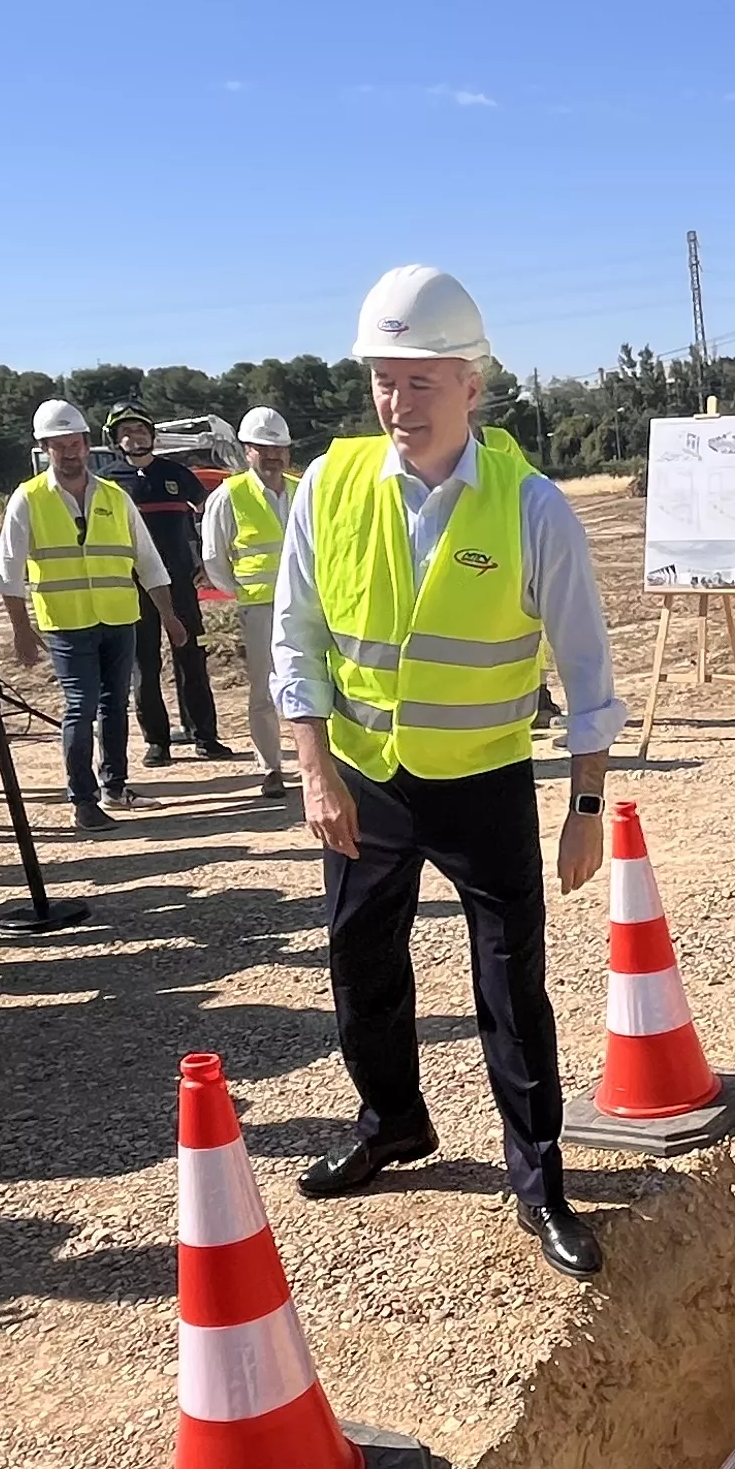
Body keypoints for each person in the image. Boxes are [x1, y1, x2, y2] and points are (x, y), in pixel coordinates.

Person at [275, 264, 620, 1278]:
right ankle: (392, 1126)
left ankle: (538, 1177)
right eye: (385, 378)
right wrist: (314, 768)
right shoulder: (328, 489)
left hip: (482, 784)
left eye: (423, 380)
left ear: (473, 383)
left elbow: (588, 670)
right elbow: (295, 641)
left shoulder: (531, 507)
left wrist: (585, 806)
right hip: (363, 780)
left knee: (511, 984)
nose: (398, 402)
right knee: (360, 964)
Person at [0, 398, 192, 833]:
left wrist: (170, 616)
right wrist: (21, 630)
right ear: (45, 449)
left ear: (87, 445)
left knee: (115, 707)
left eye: (74, 444)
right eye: (57, 446)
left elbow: (148, 562)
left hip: (119, 618)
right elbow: (7, 572)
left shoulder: (114, 497)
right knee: (81, 707)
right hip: (67, 624)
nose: (68, 453)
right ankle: (82, 799)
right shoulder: (27, 500)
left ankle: (116, 786)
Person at [100, 408, 236, 767]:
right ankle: (157, 742)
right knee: (144, 665)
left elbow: (210, 512)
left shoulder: (177, 474)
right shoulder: (106, 482)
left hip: (180, 583)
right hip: (133, 587)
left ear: (152, 436)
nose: (135, 437)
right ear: (115, 439)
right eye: (126, 431)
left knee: (192, 657)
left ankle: (204, 735)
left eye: (141, 430)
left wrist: (207, 560)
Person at [202, 406, 300, 796]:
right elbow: (214, 556)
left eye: (280, 448)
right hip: (260, 606)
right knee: (263, 690)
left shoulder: (299, 490)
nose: (274, 455)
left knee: (313, 682)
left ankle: (319, 761)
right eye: (264, 447)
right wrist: (241, 592)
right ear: (247, 450)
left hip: (307, 605)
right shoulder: (230, 494)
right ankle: (270, 767)